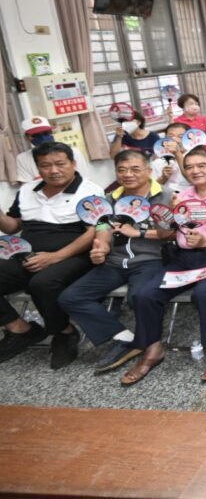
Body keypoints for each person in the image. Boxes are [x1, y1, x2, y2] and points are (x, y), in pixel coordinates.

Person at [119, 148, 206, 385]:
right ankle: (153, 350)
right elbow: (168, 233)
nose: (195, 171)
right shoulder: (182, 196)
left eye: (201, 165)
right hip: (184, 259)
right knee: (145, 294)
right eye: (189, 167)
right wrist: (163, 219)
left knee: (205, 293)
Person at [58, 150, 175, 373]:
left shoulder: (166, 196)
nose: (128, 174)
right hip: (115, 262)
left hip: (151, 260)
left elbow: (172, 233)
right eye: (122, 170)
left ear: (149, 171)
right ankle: (127, 338)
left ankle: (152, 345)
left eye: (134, 169)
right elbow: (102, 229)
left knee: (139, 296)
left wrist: (138, 233)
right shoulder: (109, 199)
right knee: (71, 297)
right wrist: (100, 247)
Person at [0, 143, 105, 368]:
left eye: (60, 164)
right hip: (28, 254)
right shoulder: (27, 190)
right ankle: (21, 329)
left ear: (73, 164)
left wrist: (55, 257)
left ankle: (64, 332)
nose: (53, 170)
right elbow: (12, 227)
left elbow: (93, 233)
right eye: (45, 165)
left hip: (75, 255)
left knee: (43, 283)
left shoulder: (90, 191)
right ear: (38, 168)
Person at [15, 117, 86, 185]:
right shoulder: (22, 158)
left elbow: (83, 179)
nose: (42, 137)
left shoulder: (72, 152)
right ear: (27, 137)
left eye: (46, 133)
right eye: (36, 135)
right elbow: (27, 187)